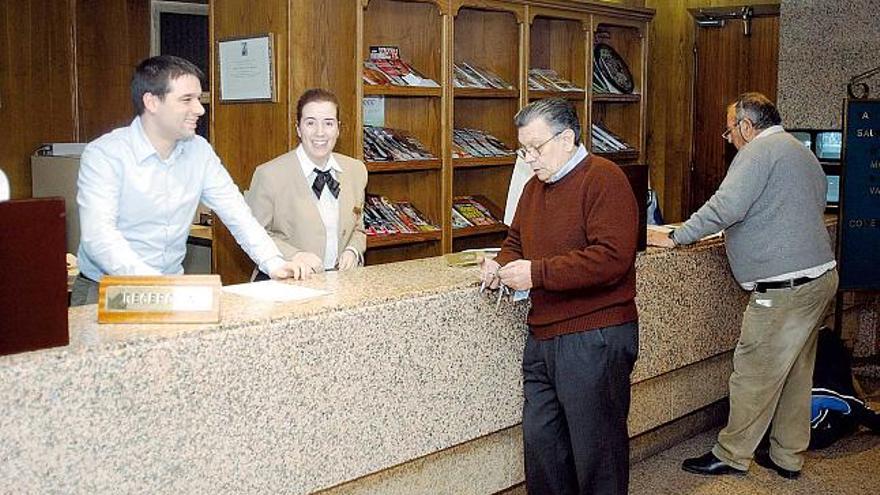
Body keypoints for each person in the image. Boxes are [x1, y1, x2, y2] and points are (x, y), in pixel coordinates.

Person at [648, 92, 838, 479]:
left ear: (747, 127)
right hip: (818, 277)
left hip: (784, 286)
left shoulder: (757, 152)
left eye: (729, 129)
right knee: (796, 374)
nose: (729, 137)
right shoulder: (799, 151)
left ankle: (732, 454)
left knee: (754, 372)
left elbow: (726, 206)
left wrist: (678, 236)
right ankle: (787, 456)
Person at [481, 98, 639, 495]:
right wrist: (500, 265)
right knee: (543, 448)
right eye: (522, 150)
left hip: (594, 336)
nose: (529, 159)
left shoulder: (604, 179)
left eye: (536, 148)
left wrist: (537, 273)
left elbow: (611, 258)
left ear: (567, 138)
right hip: (544, 336)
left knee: (597, 454)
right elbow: (515, 240)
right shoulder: (534, 187)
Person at [73, 55, 300, 305]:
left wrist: (273, 262)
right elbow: (100, 237)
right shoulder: (105, 154)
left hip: (169, 289)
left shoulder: (199, 151)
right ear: (151, 102)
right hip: (106, 290)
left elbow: (237, 213)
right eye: (186, 100)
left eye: (199, 99)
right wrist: (156, 287)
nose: (200, 109)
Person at [246, 89, 367, 280]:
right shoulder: (269, 175)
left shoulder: (356, 170)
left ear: (338, 128)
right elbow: (252, 234)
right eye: (310, 123)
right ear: (298, 128)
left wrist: (353, 250)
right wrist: (294, 255)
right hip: (286, 284)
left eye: (328, 123)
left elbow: (359, 228)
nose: (320, 132)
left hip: (341, 284)